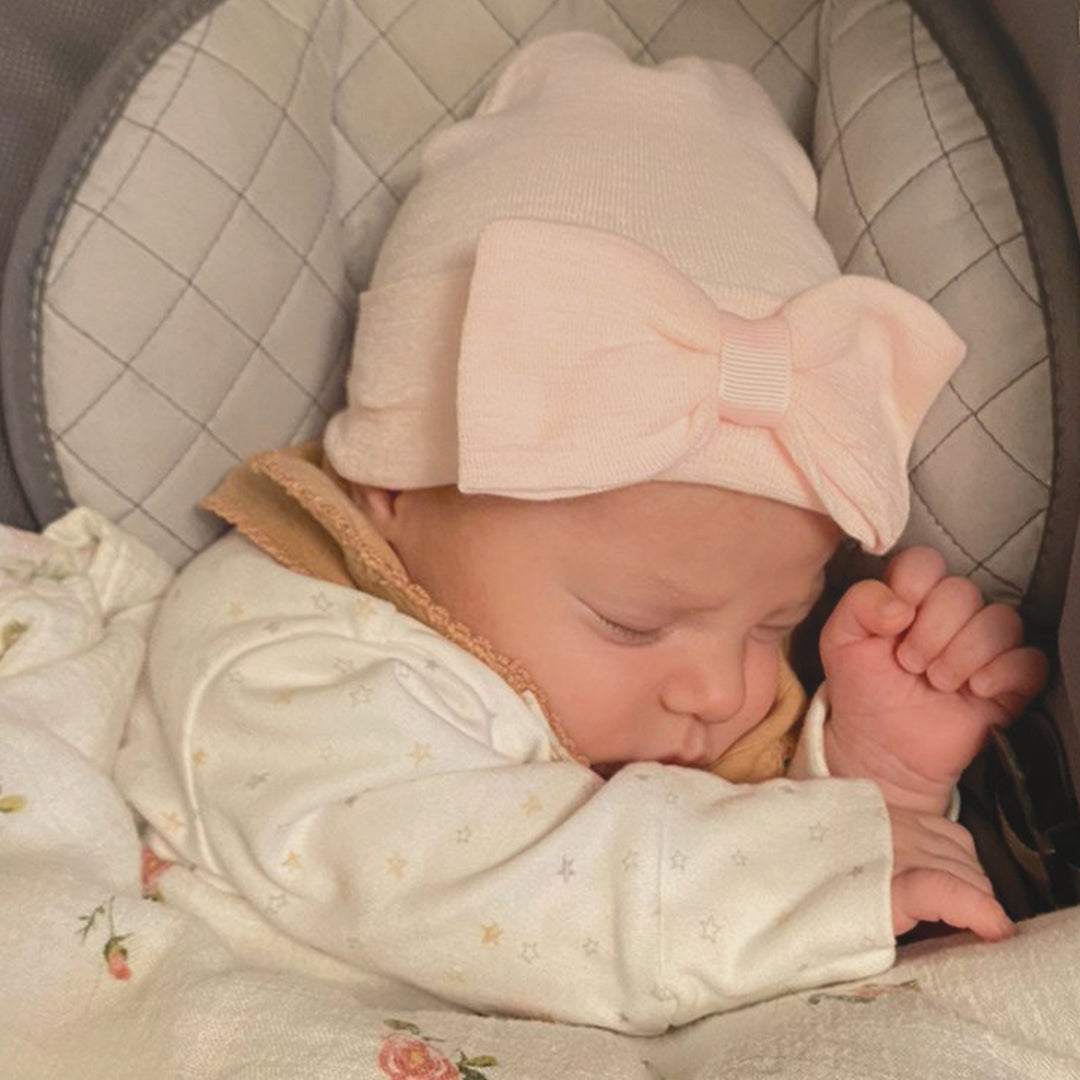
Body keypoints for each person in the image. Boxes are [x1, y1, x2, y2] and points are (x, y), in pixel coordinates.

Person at [116, 33, 1046, 1033]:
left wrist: (871, 783)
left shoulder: (672, 687)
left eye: (778, 623)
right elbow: (478, 886)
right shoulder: (280, 656)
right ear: (393, 491)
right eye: (634, 623)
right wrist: (814, 874)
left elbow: (692, 846)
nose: (725, 691)